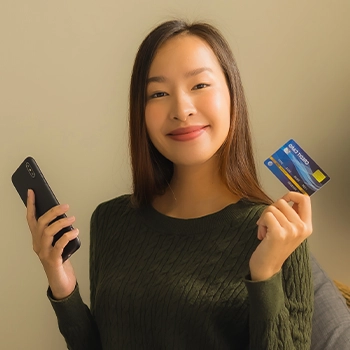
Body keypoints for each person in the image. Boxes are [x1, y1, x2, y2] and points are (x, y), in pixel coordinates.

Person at [26, 19, 313, 349]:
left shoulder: (279, 233)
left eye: (200, 86)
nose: (181, 109)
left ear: (232, 95)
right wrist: (61, 283)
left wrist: (265, 273)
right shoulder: (110, 220)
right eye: (158, 93)